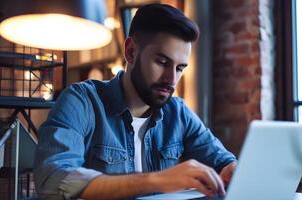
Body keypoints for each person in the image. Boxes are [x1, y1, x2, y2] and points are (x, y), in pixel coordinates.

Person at [34, 3, 237, 199]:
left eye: (179, 68)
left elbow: (223, 162)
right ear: (131, 51)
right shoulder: (81, 101)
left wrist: (233, 171)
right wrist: (157, 180)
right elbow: (53, 180)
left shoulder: (179, 113)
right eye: (162, 62)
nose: (171, 79)